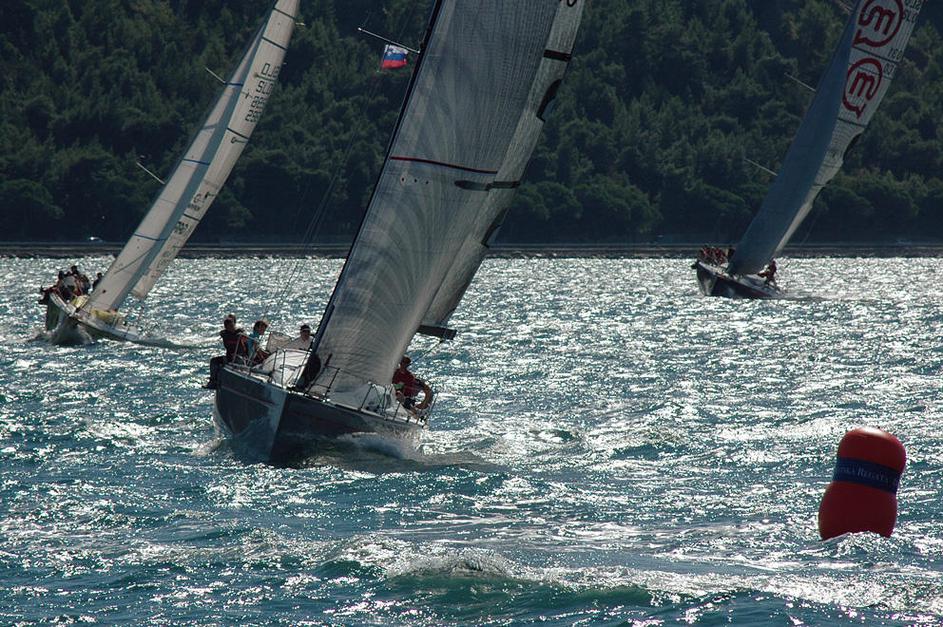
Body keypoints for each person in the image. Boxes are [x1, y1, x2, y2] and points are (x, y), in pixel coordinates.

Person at [207, 316, 247, 389]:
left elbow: (244, 333)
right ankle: (213, 381)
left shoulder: (239, 332)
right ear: (226, 327)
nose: (232, 328)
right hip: (229, 357)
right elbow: (222, 333)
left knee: (238, 361)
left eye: (232, 326)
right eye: (229, 326)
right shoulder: (225, 334)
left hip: (240, 357)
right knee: (214, 361)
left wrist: (241, 335)